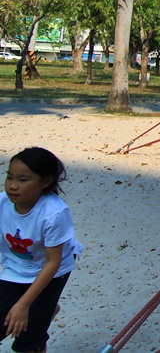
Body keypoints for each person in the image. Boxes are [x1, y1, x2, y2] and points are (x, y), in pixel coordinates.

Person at [0, 148, 83, 353]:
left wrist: (24, 305)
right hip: (16, 265)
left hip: (51, 270)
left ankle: (43, 309)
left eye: (23, 180)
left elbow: (52, 262)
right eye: (9, 177)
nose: (13, 185)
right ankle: (46, 308)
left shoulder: (54, 213)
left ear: (45, 182)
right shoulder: (2, 202)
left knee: (27, 341)